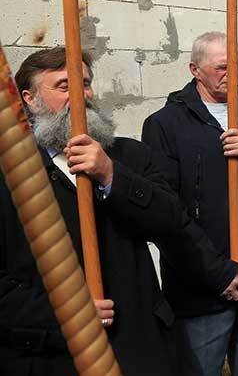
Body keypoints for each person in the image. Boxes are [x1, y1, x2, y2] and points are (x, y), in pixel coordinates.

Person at [1, 47, 184, 375]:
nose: (80, 95)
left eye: (84, 83)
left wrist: (111, 176)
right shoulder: (12, 174)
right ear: (29, 98)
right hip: (54, 357)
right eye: (63, 86)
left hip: (140, 348)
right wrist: (65, 314)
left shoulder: (129, 155)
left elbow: (171, 222)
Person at [141, 32, 238, 375]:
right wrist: (216, 271)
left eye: (237, 66)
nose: (231, 75)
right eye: (221, 67)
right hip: (200, 285)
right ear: (195, 69)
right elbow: (166, 212)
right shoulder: (165, 125)